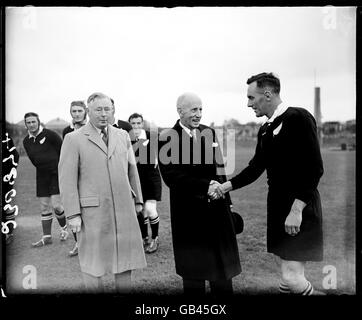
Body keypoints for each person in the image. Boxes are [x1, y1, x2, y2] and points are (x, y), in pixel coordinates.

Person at [213, 72, 324, 295]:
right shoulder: (265, 129)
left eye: (251, 98)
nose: (248, 104)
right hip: (277, 207)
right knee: (286, 279)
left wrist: (296, 210)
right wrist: (225, 187)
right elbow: (255, 167)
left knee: (292, 279)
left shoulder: (298, 117)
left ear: (267, 94)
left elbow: (315, 169)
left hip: (299, 207)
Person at [59, 92, 146, 293]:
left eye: (108, 109)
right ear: (89, 111)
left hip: (123, 208)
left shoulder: (123, 135)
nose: (104, 113)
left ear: (113, 111)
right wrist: (72, 214)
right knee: (93, 264)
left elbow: (132, 169)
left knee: (125, 261)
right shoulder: (73, 139)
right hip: (91, 213)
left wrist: (138, 200)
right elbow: (67, 180)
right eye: (98, 109)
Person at [158, 92, 241, 296]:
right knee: (193, 275)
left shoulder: (209, 133)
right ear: (180, 111)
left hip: (217, 210)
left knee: (222, 273)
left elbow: (219, 169)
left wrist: (227, 201)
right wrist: (207, 185)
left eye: (201, 109)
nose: (199, 114)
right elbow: (172, 177)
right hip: (189, 215)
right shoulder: (166, 138)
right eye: (194, 110)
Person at [22, 112, 69, 247]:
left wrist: (61, 170)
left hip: (56, 173)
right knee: (44, 207)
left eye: (33, 122)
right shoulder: (26, 141)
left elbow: (63, 152)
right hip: (41, 175)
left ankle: (64, 228)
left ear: (38, 122)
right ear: (26, 125)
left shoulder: (50, 135)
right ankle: (47, 237)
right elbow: (33, 159)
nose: (31, 124)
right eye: (28, 123)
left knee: (57, 206)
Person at [128, 113, 162, 253]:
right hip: (137, 179)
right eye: (133, 123)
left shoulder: (152, 136)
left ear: (142, 124)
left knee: (150, 208)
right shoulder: (126, 138)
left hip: (151, 178)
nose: (136, 126)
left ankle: (155, 238)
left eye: (138, 123)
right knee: (140, 210)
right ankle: (144, 237)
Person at [62, 100, 88, 257]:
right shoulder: (66, 131)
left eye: (79, 111)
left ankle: (93, 245)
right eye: (74, 111)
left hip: (89, 176)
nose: (77, 114)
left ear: (85, 111)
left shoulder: (92, 128)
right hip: (73, 176)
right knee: (72, 209)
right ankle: (78, 243)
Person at [1, 132, 20, 245]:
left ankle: (9, 232)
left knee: (5, 204)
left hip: (5, 177)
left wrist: (9, 172)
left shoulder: (6, 137)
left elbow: (15, 156)